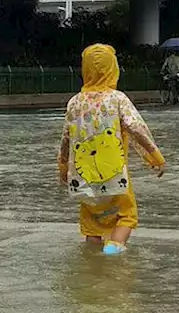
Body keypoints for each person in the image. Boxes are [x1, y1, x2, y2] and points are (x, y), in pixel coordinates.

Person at [57, 44, 165, 255]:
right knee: (126, 215)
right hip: (114, 174)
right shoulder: (117, 99)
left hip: (83, 176)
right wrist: (154, 157)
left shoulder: (74, 103)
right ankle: (112, 252)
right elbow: (136, 128)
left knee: (91, 222)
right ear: (113, 69)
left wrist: (63, 168)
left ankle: (92, 264)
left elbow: (66, 139)